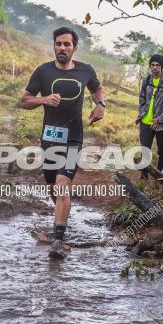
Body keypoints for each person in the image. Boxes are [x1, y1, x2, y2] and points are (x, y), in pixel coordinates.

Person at [20, 27, 105, 259]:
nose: (62, 48)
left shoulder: (85, 70)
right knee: (53, 187)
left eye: (67, 44)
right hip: (50, 139)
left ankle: (58, 240)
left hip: (73, 138)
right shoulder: (43, 72)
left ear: (74, 47)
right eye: (58, 44)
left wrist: (101, 105)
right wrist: (43, 99)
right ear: (54, 46)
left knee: (61, 185)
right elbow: (24, 101)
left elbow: (97, 88)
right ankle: (61, 213)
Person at [136, 54, 163, 175]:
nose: (154, 67)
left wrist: (159, 119)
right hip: (145, 122)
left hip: (161, 124)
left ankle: (160, 176)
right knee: (145, 149)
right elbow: (142, 98)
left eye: (157, 65)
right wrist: (142, 113)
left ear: (161, 67)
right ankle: (144, 175)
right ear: (150, 66)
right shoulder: (147, 80)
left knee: (161, 150)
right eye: (152, 65)